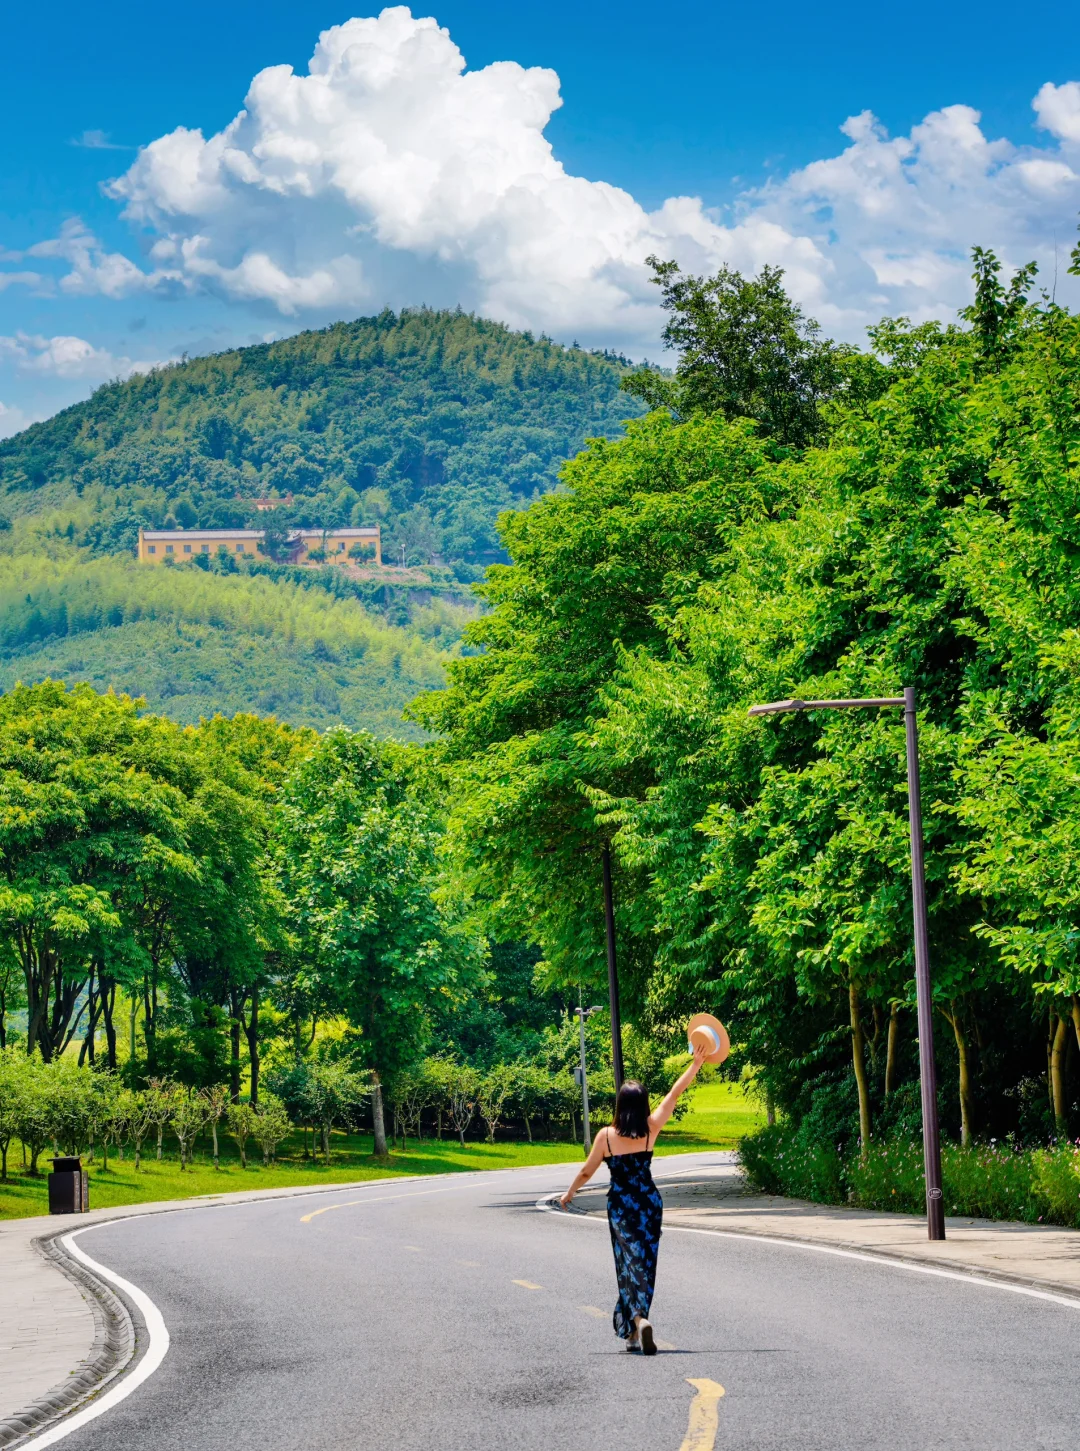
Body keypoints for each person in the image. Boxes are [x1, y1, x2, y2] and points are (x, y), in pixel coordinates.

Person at [559, 1043, 710, 1354]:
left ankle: (637, 1321)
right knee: (646, 1264)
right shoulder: (651, 1129)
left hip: (622, 1208)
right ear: (642, 1106)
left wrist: (569, 1192)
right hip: (650, 1205)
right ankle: (633, 1329)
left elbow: (587, 1172)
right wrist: (696, 1065)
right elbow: (674, 1094)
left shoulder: (605, 1137)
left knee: (627, 1265)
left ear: (619, 1105)